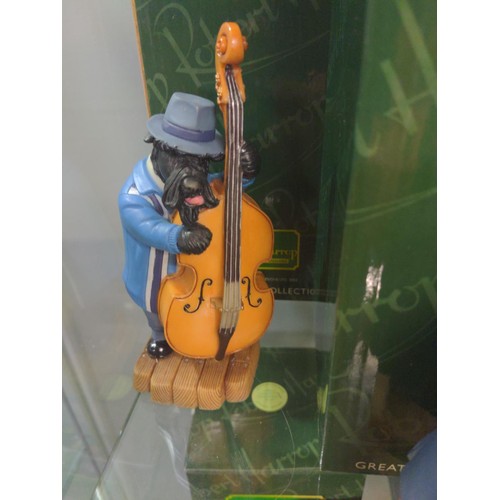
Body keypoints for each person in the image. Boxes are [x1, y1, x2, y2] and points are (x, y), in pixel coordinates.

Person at [118, 92, 259, 358]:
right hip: (154, 276)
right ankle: (159, 335)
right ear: (158, 148)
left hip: (193, 277)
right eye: (180, 159)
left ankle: (193, 332)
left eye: (201, 162)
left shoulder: (193, 185)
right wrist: (179, 237)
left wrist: (243, 174)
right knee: (156, 308)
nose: (192, 173)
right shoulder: (134, 196)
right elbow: (147, 227)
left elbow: (219, 189)